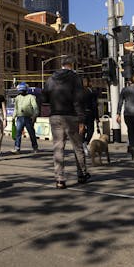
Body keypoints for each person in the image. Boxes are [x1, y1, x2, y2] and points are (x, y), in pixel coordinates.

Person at [42, 55, 88, 188]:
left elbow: (44, 97)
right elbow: (79, 99)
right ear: (72, 65)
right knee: (77, 147)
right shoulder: (75, 78)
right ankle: (82, 174)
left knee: (58, 147)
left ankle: (60, 179)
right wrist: (81, 119)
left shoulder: (51, 78)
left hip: (55, 115)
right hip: (72, 116)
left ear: (62, 64)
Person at [13, 82, 39, 154]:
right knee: (18, 134)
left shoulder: (31, 97)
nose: (22, 91)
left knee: (31, 133)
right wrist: (13, 117)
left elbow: (35, 108)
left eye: (23, 90)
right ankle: (17, 148)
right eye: (20, 90)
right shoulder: (17, 98)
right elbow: (16, 108)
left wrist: (34, 116)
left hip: (28, 118)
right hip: (19, 118)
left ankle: (35, 147)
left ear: (26, 90)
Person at [81, 78, 100, 153]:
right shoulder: (92, 92)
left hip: (81, 113)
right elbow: (94, 105)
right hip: (90, 113)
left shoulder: (79, 92)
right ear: (89, 83)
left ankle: (83, 143)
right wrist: (97, 117)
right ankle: (85, 143)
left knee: (82, 130)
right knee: (90, 130)